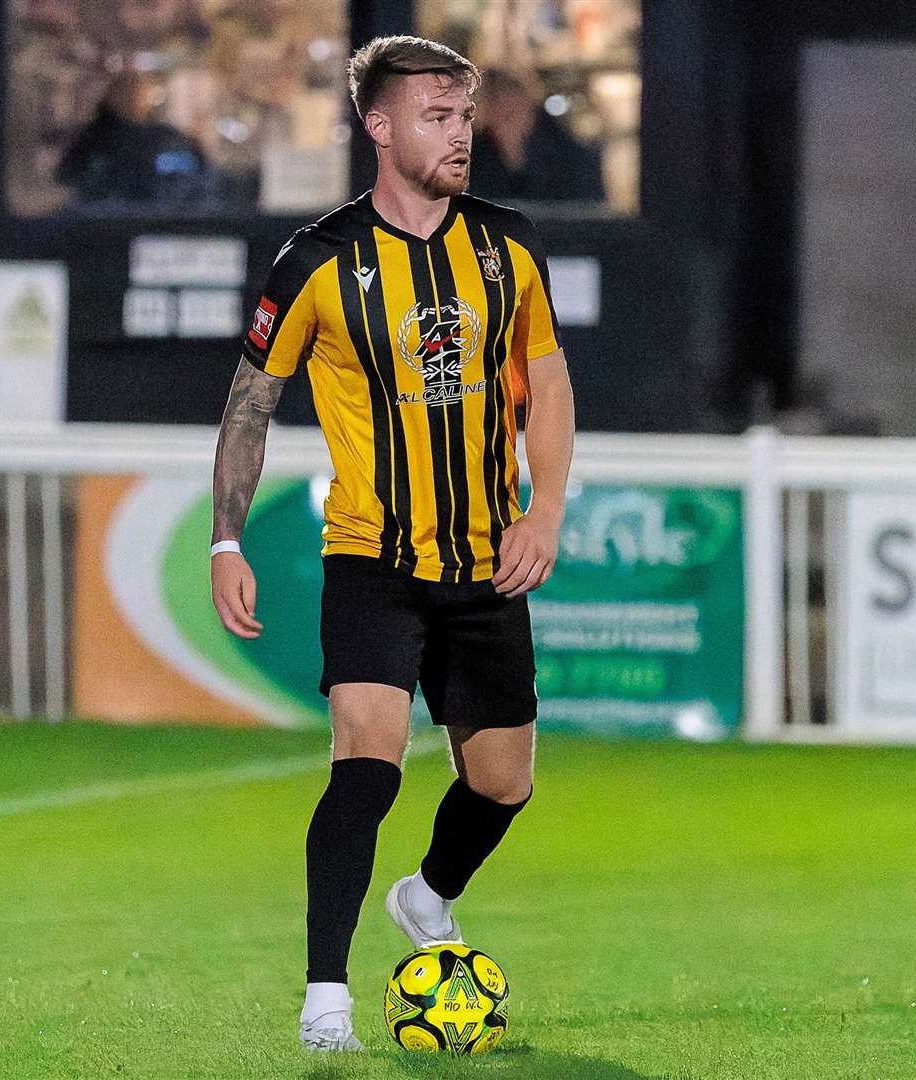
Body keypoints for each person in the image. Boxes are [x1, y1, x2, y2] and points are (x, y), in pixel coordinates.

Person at [209, 35, 576, 1052]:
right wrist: (224, 540)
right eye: (435, 117)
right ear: (379, 127)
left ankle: (427, 893)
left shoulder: (506, 244)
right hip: (371, 557)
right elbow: (252, 400)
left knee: (503, 782)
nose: (458, 135)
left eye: (464, 117)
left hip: (483, 559)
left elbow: (546, 382)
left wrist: (542, 513)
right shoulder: (318, 259)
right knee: (366, 758)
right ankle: (325, 995)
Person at [55, 70, 208, 204]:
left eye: (137, 89)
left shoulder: (165, 137)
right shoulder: (93, 139)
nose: (134, 95)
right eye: (124, 90)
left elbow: (193, 171)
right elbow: (68, 178)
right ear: (111, 95)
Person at [468, 68, 605, 203]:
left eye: (511, 97)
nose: (504, 109)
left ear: (528, 102)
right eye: (495, 101)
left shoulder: (568, 154)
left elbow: (583, 208)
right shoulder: (473, 155)